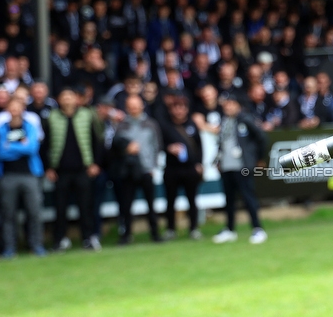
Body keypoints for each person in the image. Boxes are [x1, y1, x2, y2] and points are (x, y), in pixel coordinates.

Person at [42, 87, 103, 252]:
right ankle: (59, 240)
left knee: (86, 206)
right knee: (60, 208)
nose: (67, 99)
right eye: (64, 96)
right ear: (58, 99)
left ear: (76, 99)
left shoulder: (87, 115)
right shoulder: (52, 117)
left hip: (83, 169)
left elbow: (97, 141)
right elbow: (45, 144)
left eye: (70, 96)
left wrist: (95, 163)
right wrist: (48, 167)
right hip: (61, 171)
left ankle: (88, 238)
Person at [212, 92, 268, 245]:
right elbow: (221, 143)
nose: (228, 107)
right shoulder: (224, 122)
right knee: (229, 200)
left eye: (231, 104)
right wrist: (218, 161)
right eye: (226, 104)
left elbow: (262, 137)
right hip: (226, 167)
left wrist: (257, 158)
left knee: (248, 197)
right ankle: (230, 230)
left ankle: (258, 229)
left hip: (242, 166)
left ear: (238, 105)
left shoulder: (246, 119)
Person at [0, 96, 46, 258]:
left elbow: (31, 148)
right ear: (7, 110)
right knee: (8, 214)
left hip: (30, 175)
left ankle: (36, 245)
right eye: (12, 107)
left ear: (23, 108)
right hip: (8, 176)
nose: (15, 110)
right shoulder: (2, 128)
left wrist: (10, 147)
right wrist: (19, 146)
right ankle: (9, 248)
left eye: (18, 107)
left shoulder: (30, 126)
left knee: (34, 212)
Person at [111, 94, 163, 244]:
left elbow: (157, 146)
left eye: (136, 105)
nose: (133, 108)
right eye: (130, 105)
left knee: (150, 204)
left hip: (146, 169)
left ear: (142, 106)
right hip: (128, 170)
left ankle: (155, 233)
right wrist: (126, 150)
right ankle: (126, 235)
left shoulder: (151, 124)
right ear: (127, 107)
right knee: (126, 205)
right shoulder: (121, 126)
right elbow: (115, 148)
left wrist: (153, 166)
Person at [160, 93, 204, 239]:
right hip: (172, 169)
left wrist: (199, 164)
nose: (178, 111)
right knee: (170, 201)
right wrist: (169, 148)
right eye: (175, 108)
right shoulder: (166, 126)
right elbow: (159, 144)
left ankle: (193, 228)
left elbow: (199, 146)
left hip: (190, 168)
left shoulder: (192, 125)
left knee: (192, 200)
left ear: (186, 109)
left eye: (181, 108)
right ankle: (171, 229)